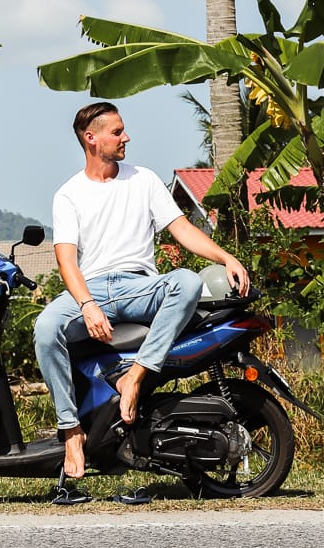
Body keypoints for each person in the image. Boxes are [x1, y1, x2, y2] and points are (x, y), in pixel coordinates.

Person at [33, 101, 249, 479]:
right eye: (116, 132)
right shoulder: (68, 194)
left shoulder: (144, 179)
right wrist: (86, 305)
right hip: (93, 288)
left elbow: (182, 230)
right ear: (91, 138)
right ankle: (71, 430)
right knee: (45, 329)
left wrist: (226, 257)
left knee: (186, 281)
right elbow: (66, 260)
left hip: (140, 286)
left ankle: (135, 375)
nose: (126, 137)